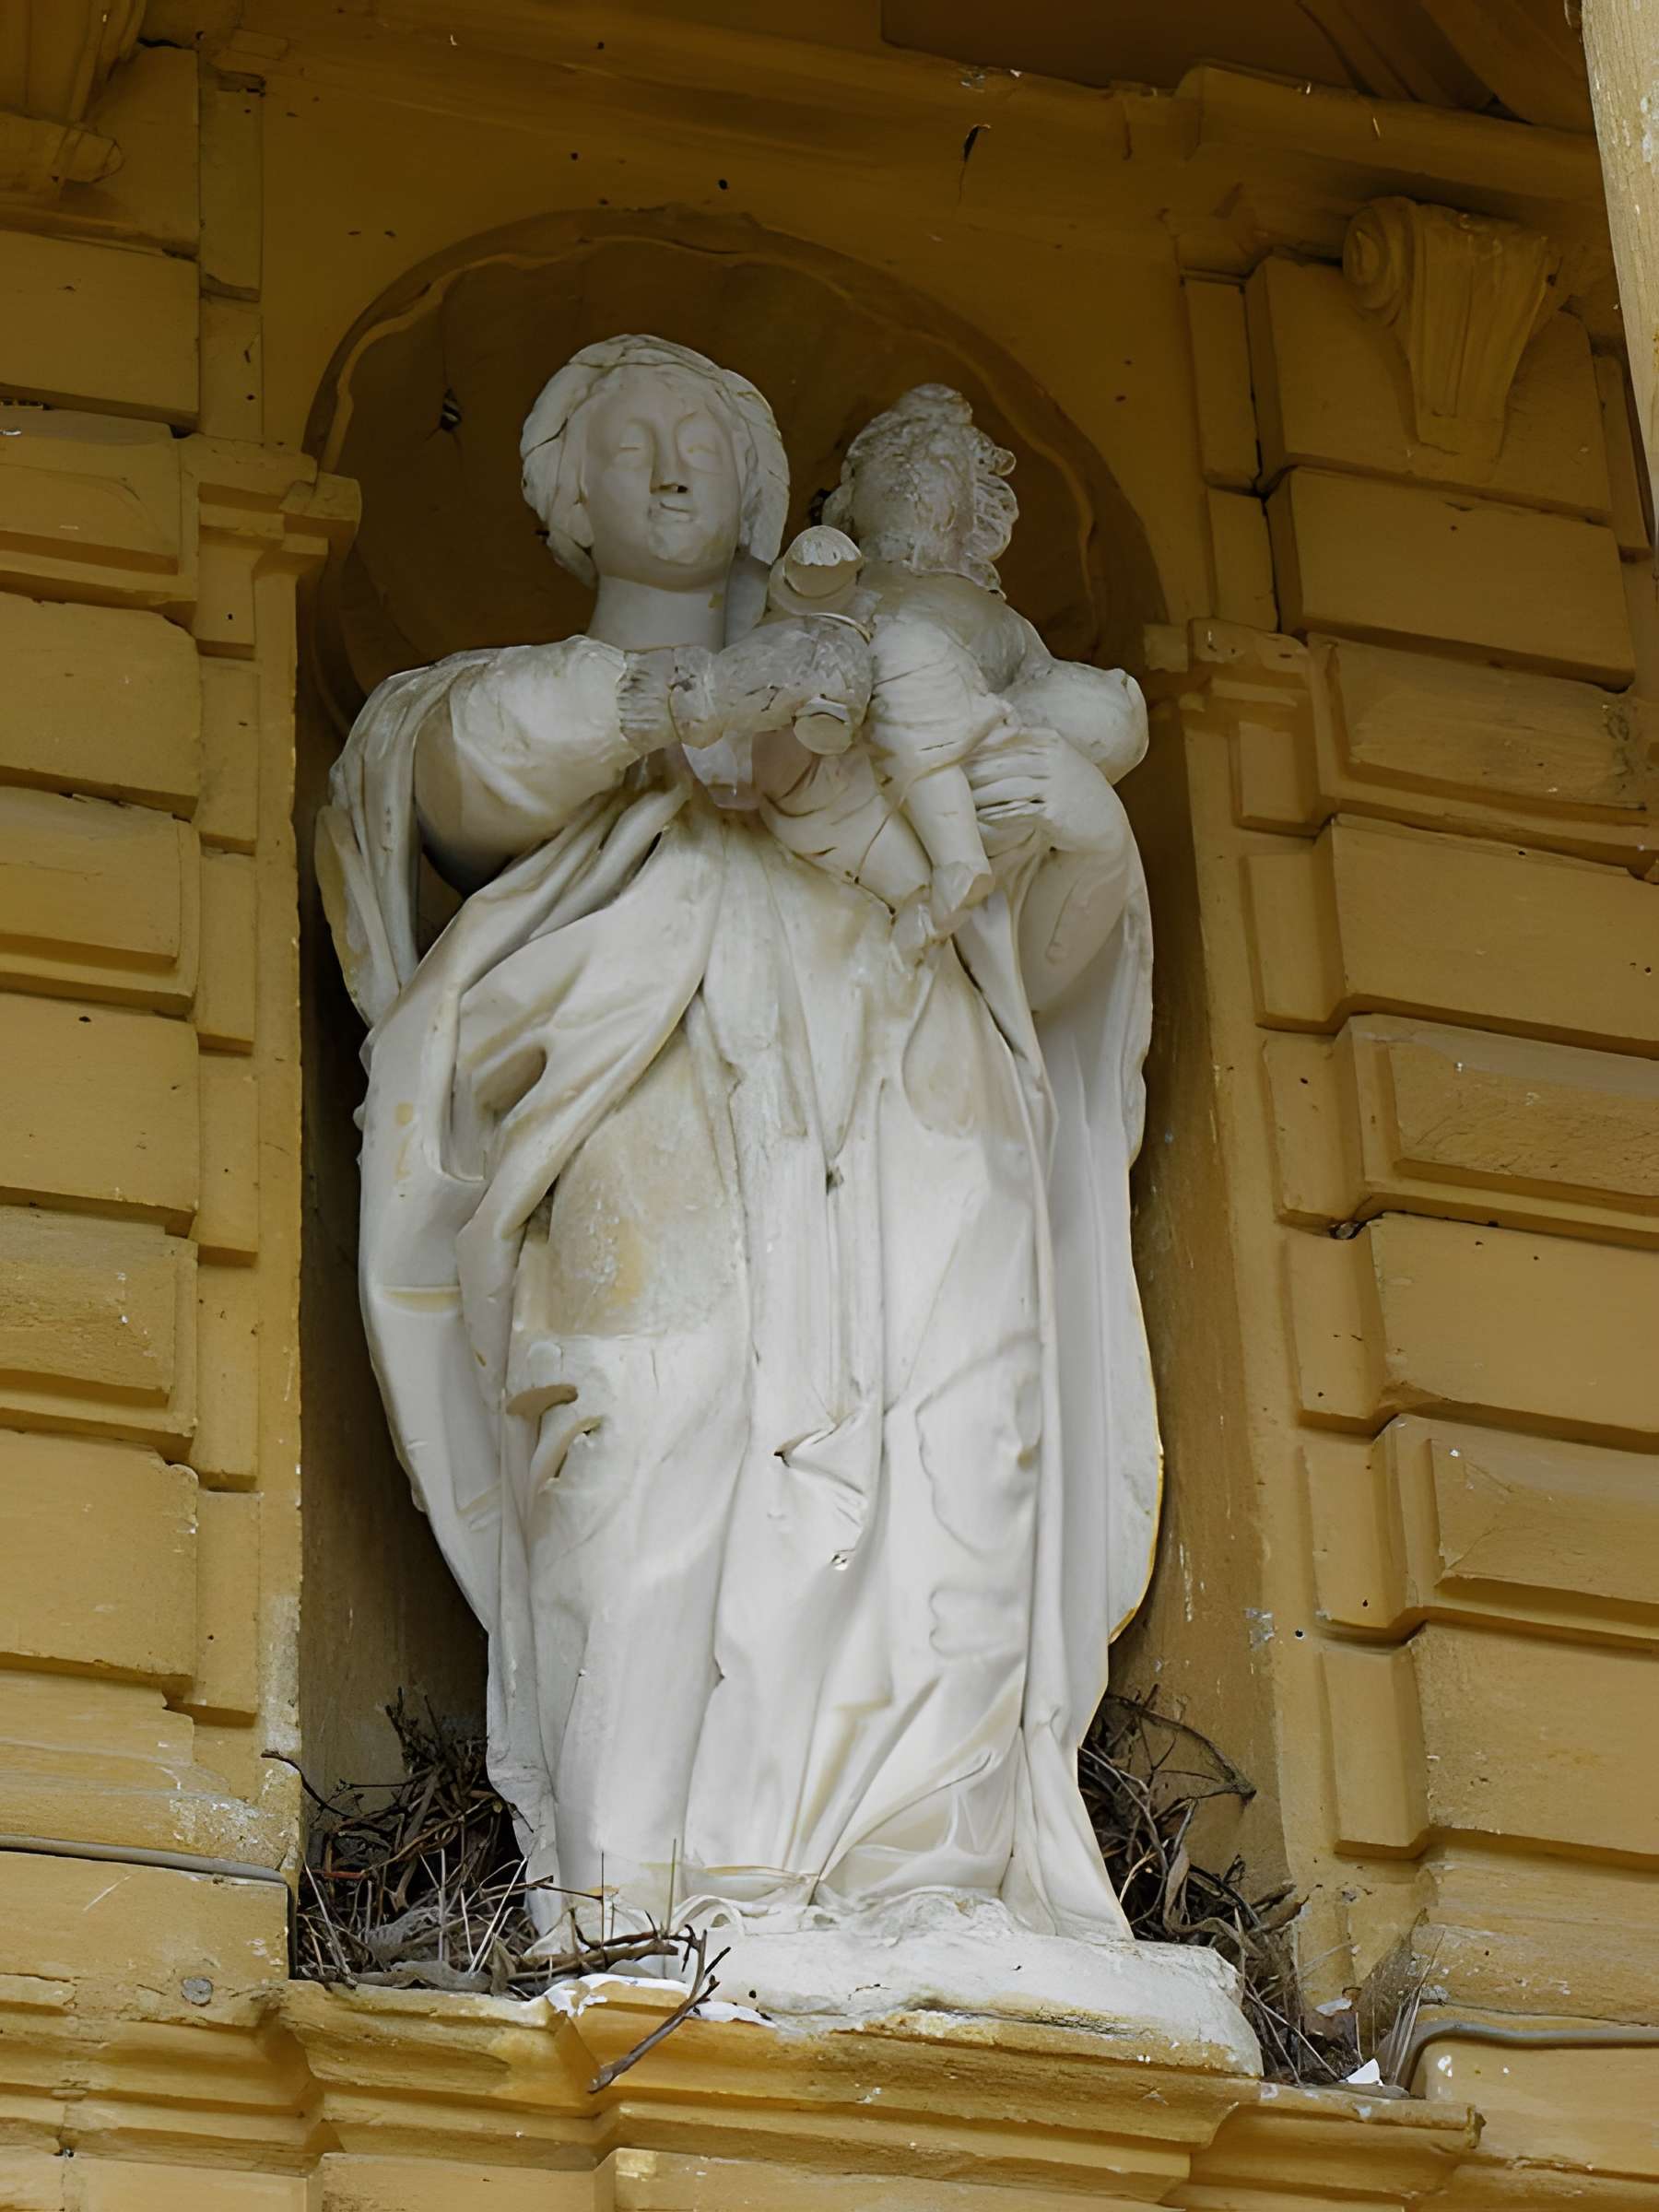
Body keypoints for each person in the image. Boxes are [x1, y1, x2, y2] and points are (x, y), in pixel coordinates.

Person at [317, 334, 1159, 1956]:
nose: (670, 463)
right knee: (648, 1412)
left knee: (957, 1438)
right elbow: (449, 777)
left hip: (917, 1099)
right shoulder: (499, 706)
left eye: (705, 434)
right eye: (626, 437)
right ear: (565, 499)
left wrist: (1087, 832)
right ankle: (634, 1887)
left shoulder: (889, 679)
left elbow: (1036, 959)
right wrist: (686, 703)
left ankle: (923, 1867)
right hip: (652, 1068)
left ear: (771, 493)